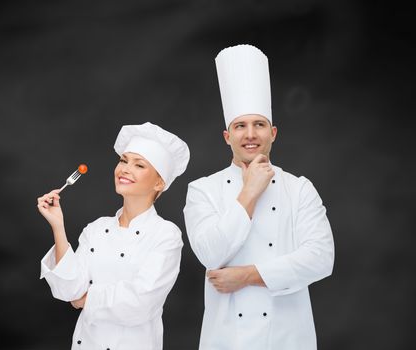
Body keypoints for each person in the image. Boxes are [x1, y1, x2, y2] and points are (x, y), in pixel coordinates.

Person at [183, 44, 335, 350]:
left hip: (289, 338)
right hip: (226, 339)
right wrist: (250, 191)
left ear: (273, 133)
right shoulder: (203, 190)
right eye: (240, 126)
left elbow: (321, 258)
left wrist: (250, 276)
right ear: (228, 137)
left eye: (259, 125)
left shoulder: (299, 188)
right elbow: (211, 255)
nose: (250, 134)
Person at [38, 122, 189, 350]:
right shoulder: (96, 229)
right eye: (123, 160)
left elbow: (141, 302)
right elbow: (67, 290)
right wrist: (58, 226)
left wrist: (86, 299)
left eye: (139, 165)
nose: (125, 169)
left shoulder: (166, 235)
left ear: (160, 182)